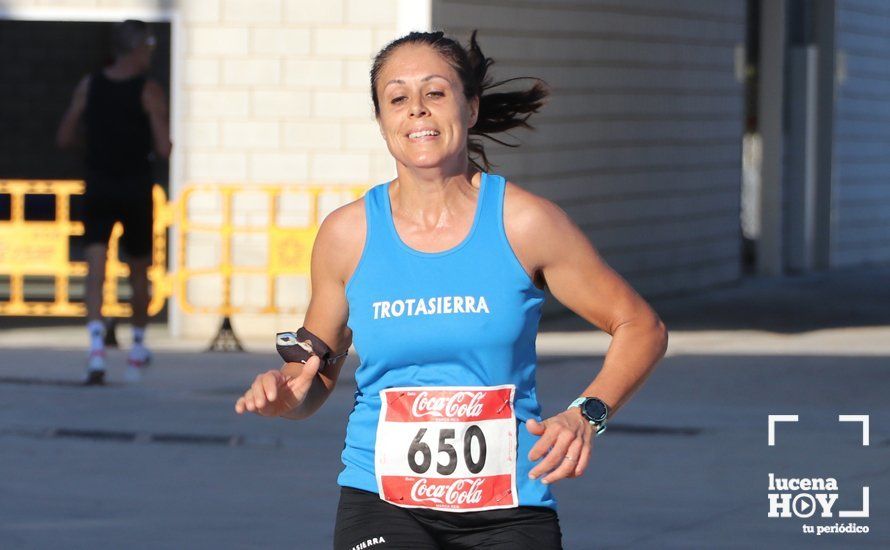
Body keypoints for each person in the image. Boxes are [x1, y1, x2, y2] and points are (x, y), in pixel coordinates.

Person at [235, 31, 668, 549]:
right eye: (398, 98)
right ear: (382, 121)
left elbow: (640, 326)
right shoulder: (347, 234)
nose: (416, 110)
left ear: (471, 107)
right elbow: (313, 374)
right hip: (382, 501)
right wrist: (287, 396)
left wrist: (587, 414)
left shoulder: (525, 223)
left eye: (435, 93)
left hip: (510, 505)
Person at [57, 19, 171, 385]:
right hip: (134, 187)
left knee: (95, 267)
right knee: (138, 269)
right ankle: (136, 348)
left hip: (99, 184)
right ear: (139, 49)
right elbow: (163, 146)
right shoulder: (148, 90)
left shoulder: (90, 85)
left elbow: (65, 135)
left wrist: (94, 146)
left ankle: (95, 352)